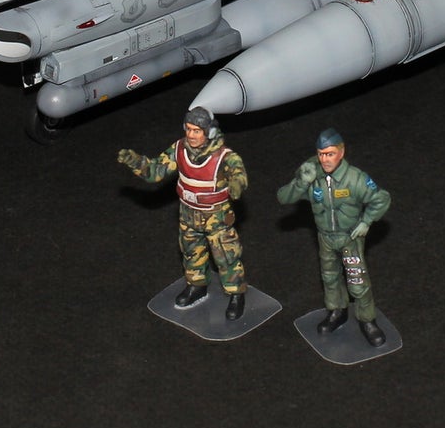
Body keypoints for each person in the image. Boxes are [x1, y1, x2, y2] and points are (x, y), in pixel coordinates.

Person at [117, 107, 250, 320]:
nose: (191, 135)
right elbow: (155, 171)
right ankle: (197, 286)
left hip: (216, 216)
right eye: (188, 129)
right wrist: (135, 162)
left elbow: (239, 174)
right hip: (188, 213)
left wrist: (236, 185)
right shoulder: (179, 149)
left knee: (226, 255)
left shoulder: (225, 157)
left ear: (209, 132)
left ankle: (236, 294)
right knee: (191, 252)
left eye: (197, 131)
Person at [276, 128, 392, 347]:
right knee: (329, 278)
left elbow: (382, 198)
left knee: (357, 281)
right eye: (321, 154)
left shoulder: (355, 178)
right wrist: (301, 182)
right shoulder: (313, 176)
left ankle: (367, 320)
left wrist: (366, 221)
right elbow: (283, 197)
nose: (325, 159)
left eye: (330, 154)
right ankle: (337, 312)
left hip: (349, 238)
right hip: (325, 238)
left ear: (341, 152)